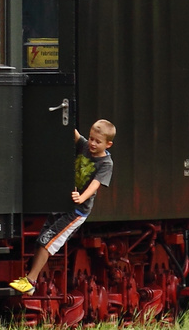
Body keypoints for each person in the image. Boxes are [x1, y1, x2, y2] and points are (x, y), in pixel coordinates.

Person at [12, 120, 116, 295]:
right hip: (63, 204)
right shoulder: (84, 146)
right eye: (91, 138)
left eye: (98, 142)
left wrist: (81, 197)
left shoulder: (106, 163)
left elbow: (96, 185)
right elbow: (73, 133)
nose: (92, 143)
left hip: (76, 211)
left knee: (48, 241)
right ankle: (30, 279)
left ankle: (30, 281)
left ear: (108, 144)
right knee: (42, 239)